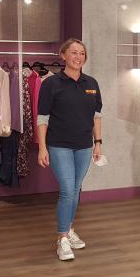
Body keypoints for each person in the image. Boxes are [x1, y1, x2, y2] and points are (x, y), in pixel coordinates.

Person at [37, 38, 103, 261]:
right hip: (59, 145)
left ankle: (69, 228)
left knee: (75, 189)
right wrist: (42, 147)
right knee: (67, 190)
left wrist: (98, 142)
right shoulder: (51, 83)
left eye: (82, 53)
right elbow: (42, 118)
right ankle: (62, 238)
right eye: (73, 52)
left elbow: (97, 116)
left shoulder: (91, 83)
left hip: (84, 145)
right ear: (63, 55)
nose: (78, 57)